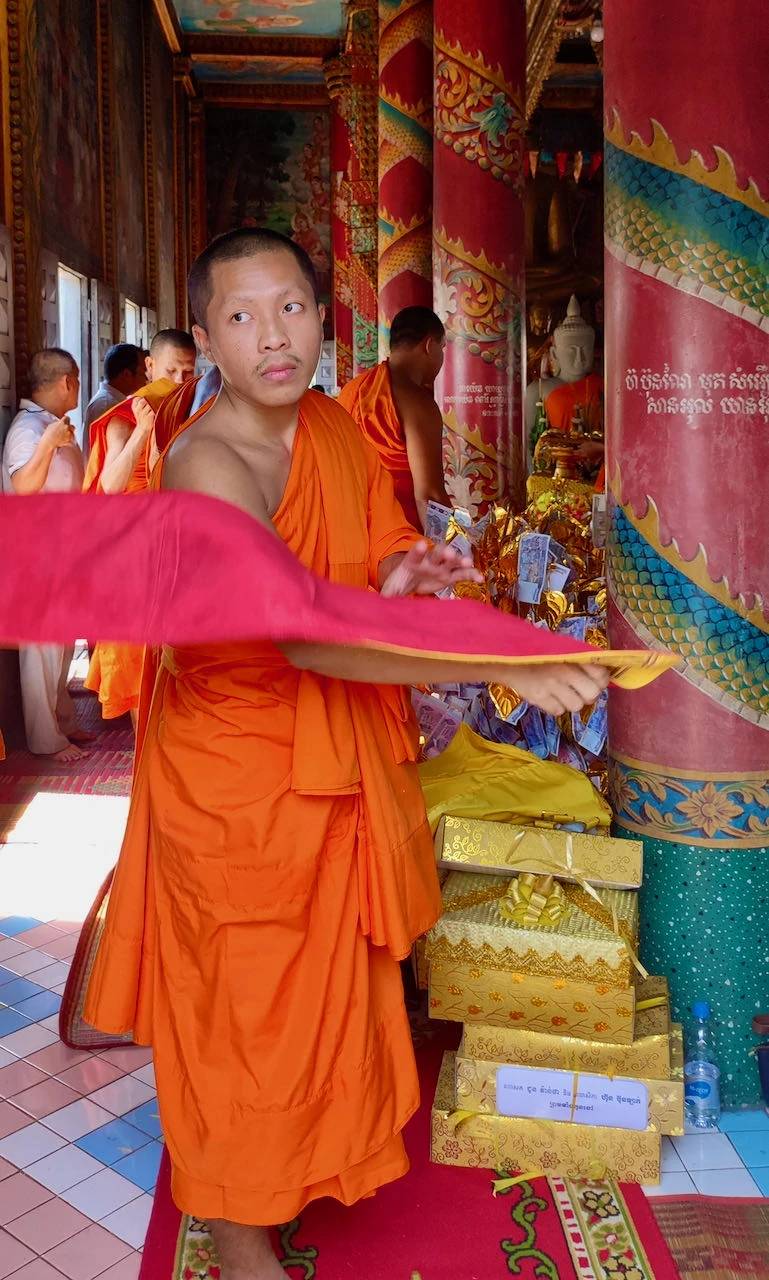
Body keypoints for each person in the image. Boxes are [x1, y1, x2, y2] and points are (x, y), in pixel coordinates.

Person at [83, 228, 609, 1280]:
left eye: (291, 308)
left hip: (327, 762)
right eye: (242, 316)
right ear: (207, 341)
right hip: (235, 774)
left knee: (320, 994)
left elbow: (363, 555)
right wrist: (501, 656)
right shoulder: (203, 462)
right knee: (240, 1002)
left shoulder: (327, 425)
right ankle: (238, 1234)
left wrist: (409, 572)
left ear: (325, 322)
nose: (272, 335)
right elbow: (299, 633)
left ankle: (302, 1161)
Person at [82, 330, 198, 725]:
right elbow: (111, 485)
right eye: (171, 371)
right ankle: (144, 763)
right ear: (149, 367)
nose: (180, 382)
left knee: (183, 662)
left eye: (188, 372)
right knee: (139, 664)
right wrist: (143, 433)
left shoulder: (191, 411)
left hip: (178, 551)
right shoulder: (125, 417)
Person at [1, 349, 88, 762]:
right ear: (66, 382)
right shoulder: (28, 428)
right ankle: (45, 739)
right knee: (42, 650)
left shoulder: (50, 425)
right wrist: (48, 445)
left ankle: (63, 723)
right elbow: (23, 486)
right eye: (76, 379)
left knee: (62, 646)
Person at [338, 306, 451, 531]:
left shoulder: (352, 390)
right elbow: (428, 497)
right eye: (443, 346)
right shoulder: (417, 403)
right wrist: (452, 552)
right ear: (429, 346)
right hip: (400, 539)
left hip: (349, 530)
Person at [83, 344, 146, 442]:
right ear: (126, 374)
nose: (146, 379)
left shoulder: (110, 401)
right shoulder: (106, 405)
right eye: (142, 373)